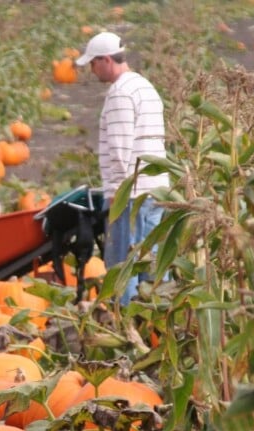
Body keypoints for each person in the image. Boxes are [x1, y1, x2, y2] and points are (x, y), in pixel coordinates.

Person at [76, 32, 169, 305]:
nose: (92, 71)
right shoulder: (143, 86)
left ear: (106, 60)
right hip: (154, 191)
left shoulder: (120, 93)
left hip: (132, 193)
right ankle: (150, 325)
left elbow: (120, 149)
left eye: (93, 64)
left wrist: (117, 194)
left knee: (123, 267)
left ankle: (125, 324)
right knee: (149, 264)